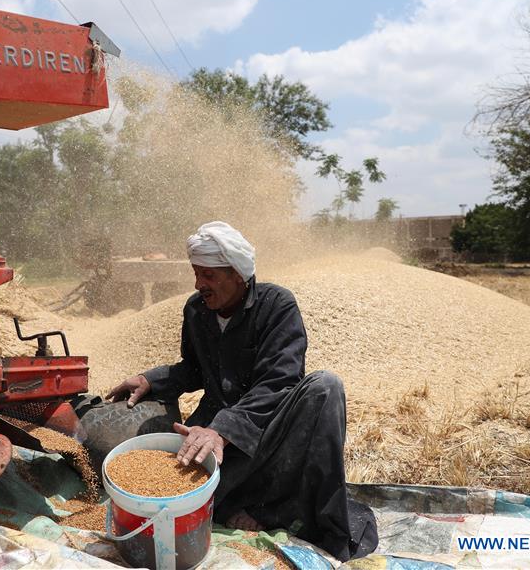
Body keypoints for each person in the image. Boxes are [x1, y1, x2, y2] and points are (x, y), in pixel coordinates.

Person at [106, 221, 378, 562]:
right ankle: (249, 507)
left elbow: (280, 382)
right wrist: (152, 379)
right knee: (181, 474)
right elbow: (194, 368)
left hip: (266, 435)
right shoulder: (195, 310)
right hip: (223, 448)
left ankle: (288, 515)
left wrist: (222, 429)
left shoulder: (277, 306)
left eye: (208, 275)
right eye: (196, 274)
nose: (198, 284)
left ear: (238, 274)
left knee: (325, 387)